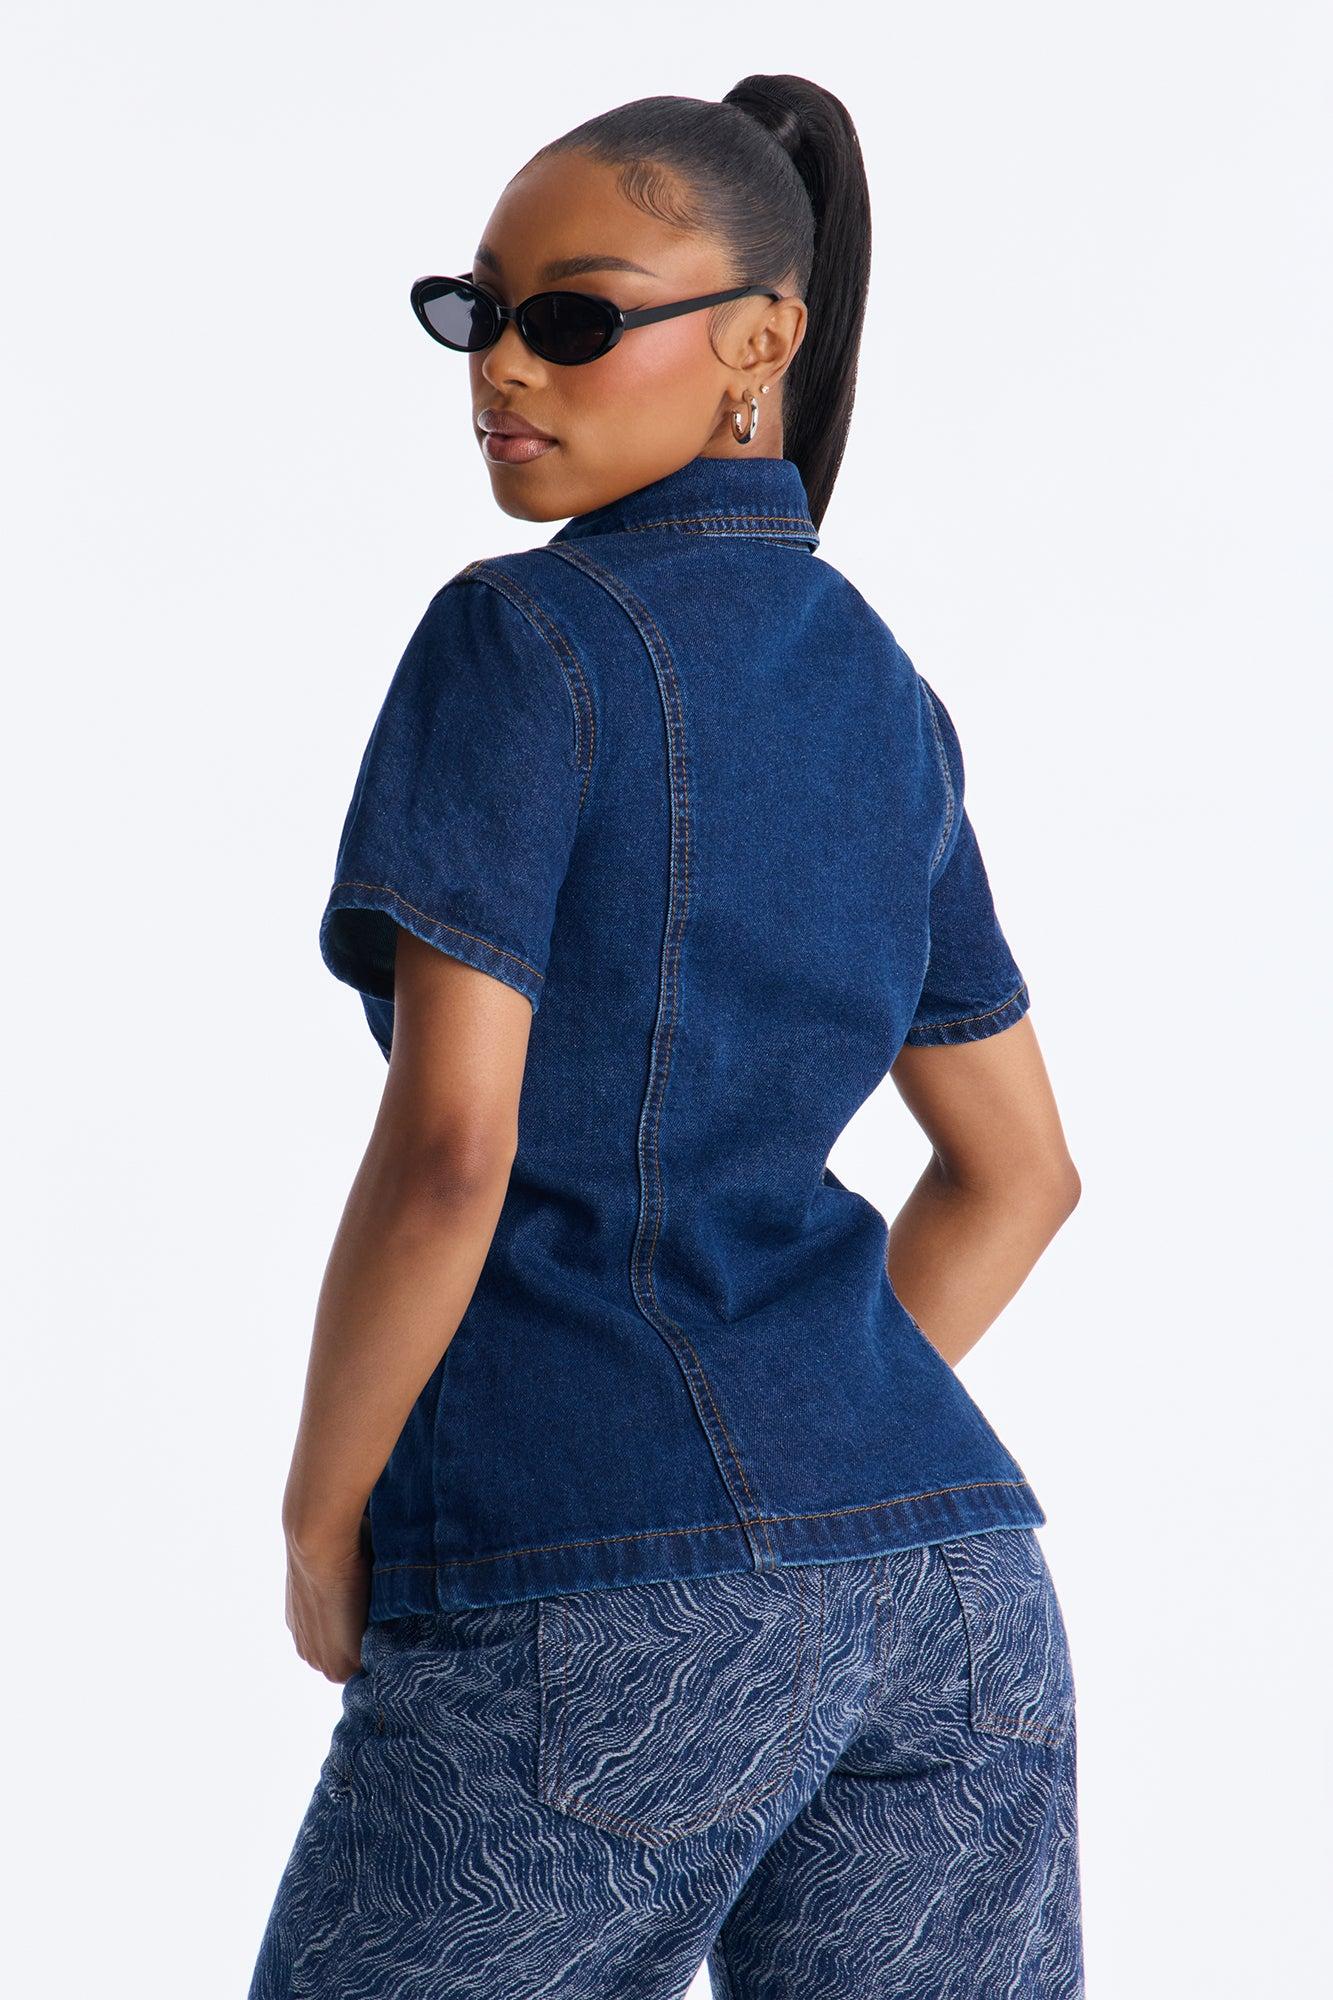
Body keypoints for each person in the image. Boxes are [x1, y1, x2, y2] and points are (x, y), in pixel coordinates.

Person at [248, 75, 1085, 2000]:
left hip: (581, 1573)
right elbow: (1021, 1172)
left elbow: (452, 1151)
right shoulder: (881, 686)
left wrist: (320, 1511)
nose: (502, 367)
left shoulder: (517, 643)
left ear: (759, 341)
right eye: (478, 313)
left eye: (571, 318)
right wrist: (801, 1454)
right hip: (950, 1585)